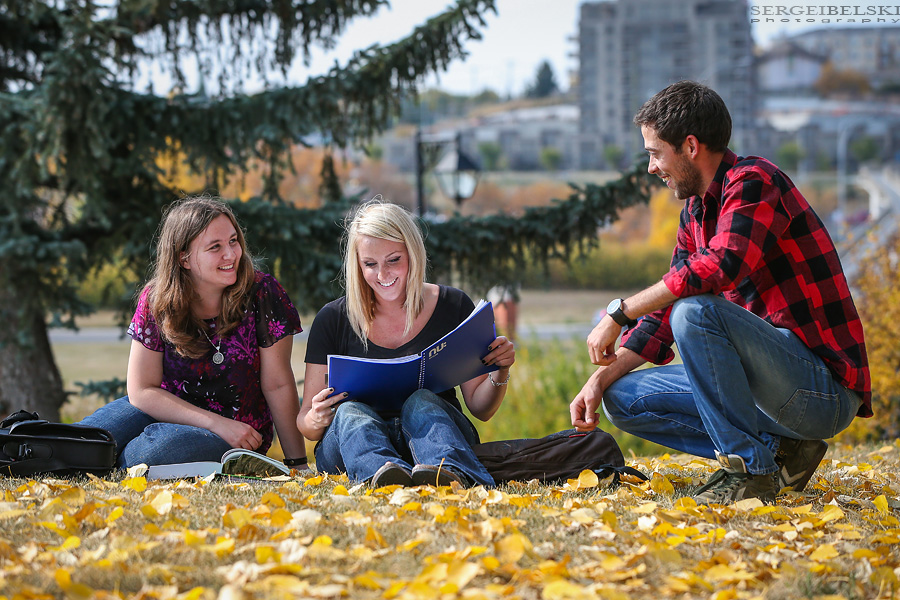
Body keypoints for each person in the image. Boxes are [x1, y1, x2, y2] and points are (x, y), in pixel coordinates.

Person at [570, 81, 871, 505]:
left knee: (695, 313)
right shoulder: (695, 211)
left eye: (655, 153)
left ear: (690, 145)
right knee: (622, 398)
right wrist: (597, 380)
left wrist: (618, 314)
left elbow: (721, 267)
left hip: (820, 391)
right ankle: (782, 451)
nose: (651, 168)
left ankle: (749, 469)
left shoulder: (755, 181)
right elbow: (662, 315)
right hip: (766, 389)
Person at [79, 196, 309, 470]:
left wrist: (297, 463)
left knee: (153, 452)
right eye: (215, 247)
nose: (231, 254)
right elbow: (141, 390)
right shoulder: (156, 299)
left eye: (233, 241)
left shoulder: (263, 293)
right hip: (166, 412)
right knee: (84, 440)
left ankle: (111, 462)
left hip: (233, 433)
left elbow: (278, 384)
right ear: (184, 258)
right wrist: (213, 421)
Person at [297, 200, 515, 487]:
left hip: (436, 438)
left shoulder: (452, 305)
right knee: (351, 413)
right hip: (355, 445)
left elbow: (480, 409)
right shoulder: (333, 318)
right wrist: (315, 417)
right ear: (357, 264)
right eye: (370, 264)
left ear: (412, 253)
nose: (383, 275)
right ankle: (383, 478)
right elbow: (307, 426)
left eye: (393, 260)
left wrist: (500, 371)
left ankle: (451, 476)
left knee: (421, 401)